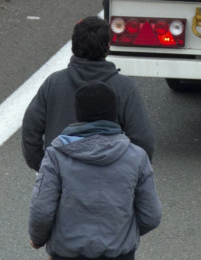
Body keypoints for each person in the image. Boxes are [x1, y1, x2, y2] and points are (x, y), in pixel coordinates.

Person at [28, 80, 162, 260]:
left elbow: (41, 212)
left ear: (78, 114)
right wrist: (120, 230)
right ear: (114, 114)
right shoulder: (136, 156)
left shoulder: (56, 155)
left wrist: (37, 239)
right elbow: (151, 216)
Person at [22, 16, 155, 172]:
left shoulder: (54, 83)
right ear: (107, 47)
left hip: (61, 176)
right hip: (109, 179)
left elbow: (30, 129)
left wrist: (43, 165)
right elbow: (142, 139)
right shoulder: (125, 87)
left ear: (73, 46)